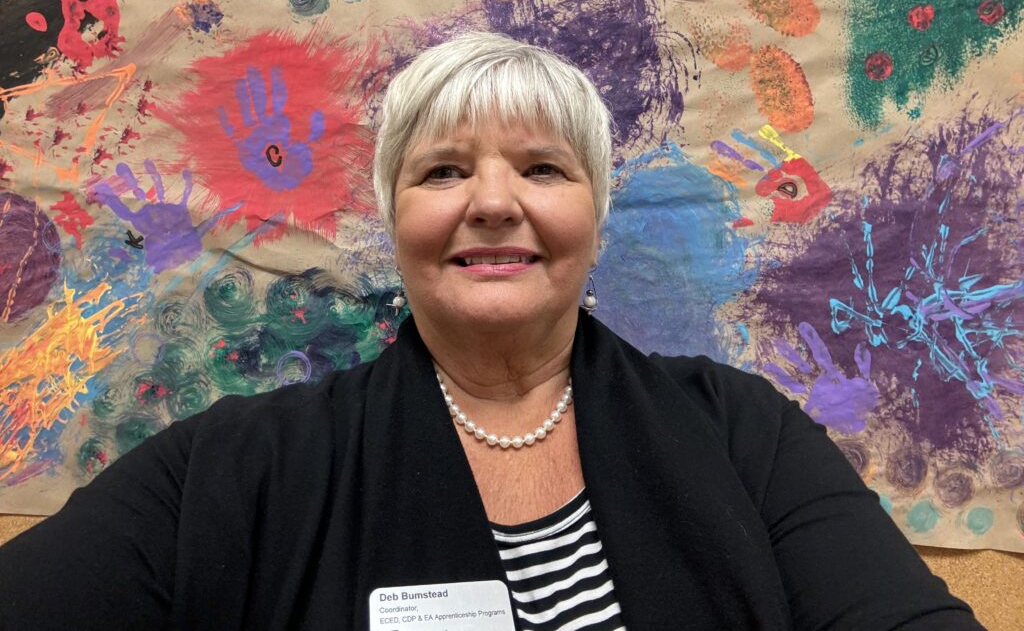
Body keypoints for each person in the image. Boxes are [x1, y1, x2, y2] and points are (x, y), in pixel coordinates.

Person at [0, 32, 984, 630]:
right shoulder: (240, 468)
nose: (493, 204)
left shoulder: (744, 434)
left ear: (594, 220)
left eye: (542, 169)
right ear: (395, 223)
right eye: (442, 171)